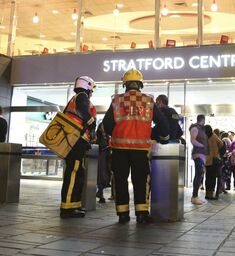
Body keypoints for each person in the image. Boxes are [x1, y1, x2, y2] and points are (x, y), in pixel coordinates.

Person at [103, 68, 169, 224]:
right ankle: (141, 214)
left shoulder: (116, 100)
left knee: (120, 180)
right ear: (140, 84)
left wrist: (118, 133)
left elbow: (106, 124)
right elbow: (163, 122)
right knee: (140, 180)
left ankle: (123, 214)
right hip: (140, 149)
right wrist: (162, 138)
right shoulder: (148, 101)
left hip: (119, 149)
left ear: (125, 84)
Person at [58, 76, 97, 218]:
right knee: (74, 172)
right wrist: (92, 124)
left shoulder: (74, 99)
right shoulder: (81, 97)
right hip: (76, 141)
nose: (92, 92)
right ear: (88, 86)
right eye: (91, 89)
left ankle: (73, 205)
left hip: (74, 140)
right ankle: (67, 207)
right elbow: (84, 113)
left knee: (77, 172)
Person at [189, 114, 208, 205]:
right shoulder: (195, 128)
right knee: (199, 173)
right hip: (198, 154)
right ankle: (194, 196)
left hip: (202, 155)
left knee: (200, 174)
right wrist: (202, 146)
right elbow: (192, 140)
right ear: (203, 120)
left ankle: (195, 196)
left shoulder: (201, 129)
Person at [204, 125, 223, 200]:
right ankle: (210, 194)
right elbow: (221, 145)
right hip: (213, 160)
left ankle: (208, 193)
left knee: (209, 178)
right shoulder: (214, 136)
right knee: (212, 178)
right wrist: (218, 153)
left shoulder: (206, 137)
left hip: (210, 161)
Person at [95, 122, 111, 204]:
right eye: (103, 127)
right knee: (101, 175)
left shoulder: (107, 136)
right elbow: (99, 146)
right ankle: (100, 193)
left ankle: (100, 193)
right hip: (101, 158)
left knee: (106, 175)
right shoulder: (98, 136)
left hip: (106, 158)